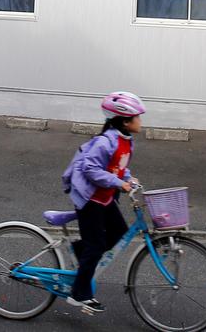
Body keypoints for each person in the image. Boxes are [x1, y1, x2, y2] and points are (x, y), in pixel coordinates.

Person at [60, 91, 146, 315]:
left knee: (118, 232)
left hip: (104, 197)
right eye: (137, 117)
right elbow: (90, 168)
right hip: (90, 199)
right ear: (125, 121)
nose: (140, 121)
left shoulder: (125, 141)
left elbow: (117, 166)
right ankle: (79, 294)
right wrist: (118, 182)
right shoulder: (105, 141)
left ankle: (80, 251)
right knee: (96, 246)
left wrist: (128, 178)